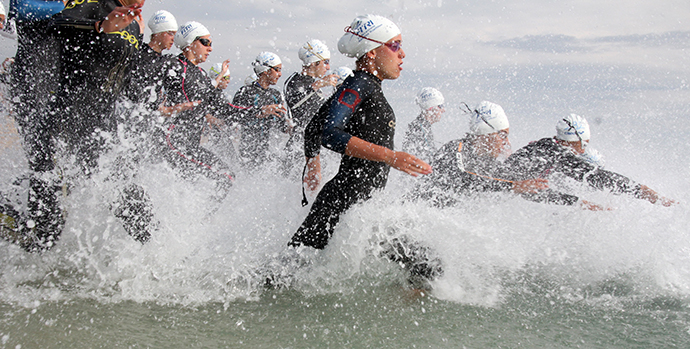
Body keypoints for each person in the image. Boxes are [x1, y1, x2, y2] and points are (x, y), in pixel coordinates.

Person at [0, 0, 147, 251]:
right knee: (44, 234)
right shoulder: (95, 5)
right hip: (63, 125)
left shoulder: (133, 24)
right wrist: (100, 26)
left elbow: (125, 78)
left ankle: (166, 259)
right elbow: (55, 24)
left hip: (100, 129)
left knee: (132, 205)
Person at [289, 14, 431, 250]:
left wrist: (313, 165)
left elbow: (313, 127)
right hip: (345, 201)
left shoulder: (364, 84)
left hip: (358, 207)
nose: (402, 54)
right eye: (395, 45)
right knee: (288, 271)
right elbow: (329, 133)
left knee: (295, 268)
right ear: (372, 51)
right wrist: (391, 157)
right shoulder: (359, 84)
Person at [411, 101, 600, 209]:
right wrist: (513, 186)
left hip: (437, 221)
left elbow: (529, 191)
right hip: (414, 214)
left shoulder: (489, 166)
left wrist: (578, 202)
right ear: (488, 134)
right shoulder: (456, 148)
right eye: (503, 136)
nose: (506, 143)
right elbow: (462, 178)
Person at [505, 114, 675, 206]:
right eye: (584, 144)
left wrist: (580, 202)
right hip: (499, 190)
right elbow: (597, 177)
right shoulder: (556, 153)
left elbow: (531, 190)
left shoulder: (547, 147)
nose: (583, 150)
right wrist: (644, 192)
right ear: (578, 141)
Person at [158, 21, 240, 204]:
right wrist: (164, 109)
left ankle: (193, 223)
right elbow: (147, 89)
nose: (210, 48)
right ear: (189, 42)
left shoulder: (201, 74)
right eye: (205, 42)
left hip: (191, 145)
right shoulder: (173, 65)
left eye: (211, 44)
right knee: (225, 176)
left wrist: (257, 111)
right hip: (174, 141)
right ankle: (202, 223)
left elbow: (222, 106)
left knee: (218, 180)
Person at [232, 51, 290, 168]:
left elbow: (282, 126)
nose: (280, 74)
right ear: (265, 71)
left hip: (268, 152)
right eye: (277, 70)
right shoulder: (245, 92)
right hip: (248, 152)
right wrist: (260, 111)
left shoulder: (275, 94)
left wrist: (290, 127)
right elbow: (234, 117)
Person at [402, 87, 445, 162]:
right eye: (440, 106)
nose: (443, 110)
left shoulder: (420, 125)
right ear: (430, 107)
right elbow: (431, 159)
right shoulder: (420, 129)